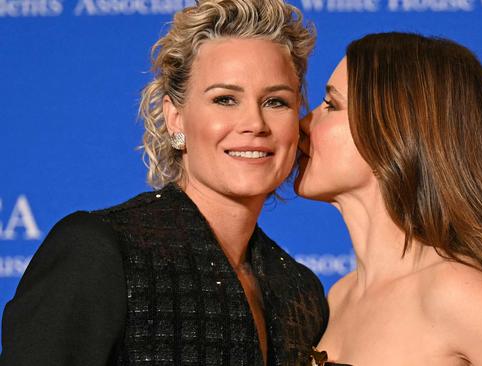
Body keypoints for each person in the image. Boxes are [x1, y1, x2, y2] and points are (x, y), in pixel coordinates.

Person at [0, 1, 327, 365]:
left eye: (276, 101)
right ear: (175, 119)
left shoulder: (300, 289)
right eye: (225, 99)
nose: (254, 123)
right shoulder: (101, 250)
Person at [296, 32, 482, 366]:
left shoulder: (454, 293)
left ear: (396, 131)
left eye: (331, 105)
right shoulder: (340, 297)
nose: (303, 123)